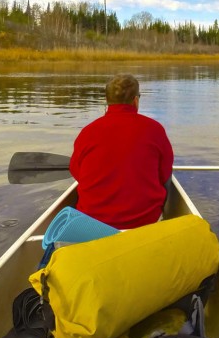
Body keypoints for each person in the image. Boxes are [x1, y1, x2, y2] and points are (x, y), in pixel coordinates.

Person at [69, 73, 174, 230]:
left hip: (92, 226)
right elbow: (164, 173)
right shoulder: (155, 129)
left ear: (107, 100)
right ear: (135, 100)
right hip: (146, 222)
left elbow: (76, 172)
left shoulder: (88, 132)